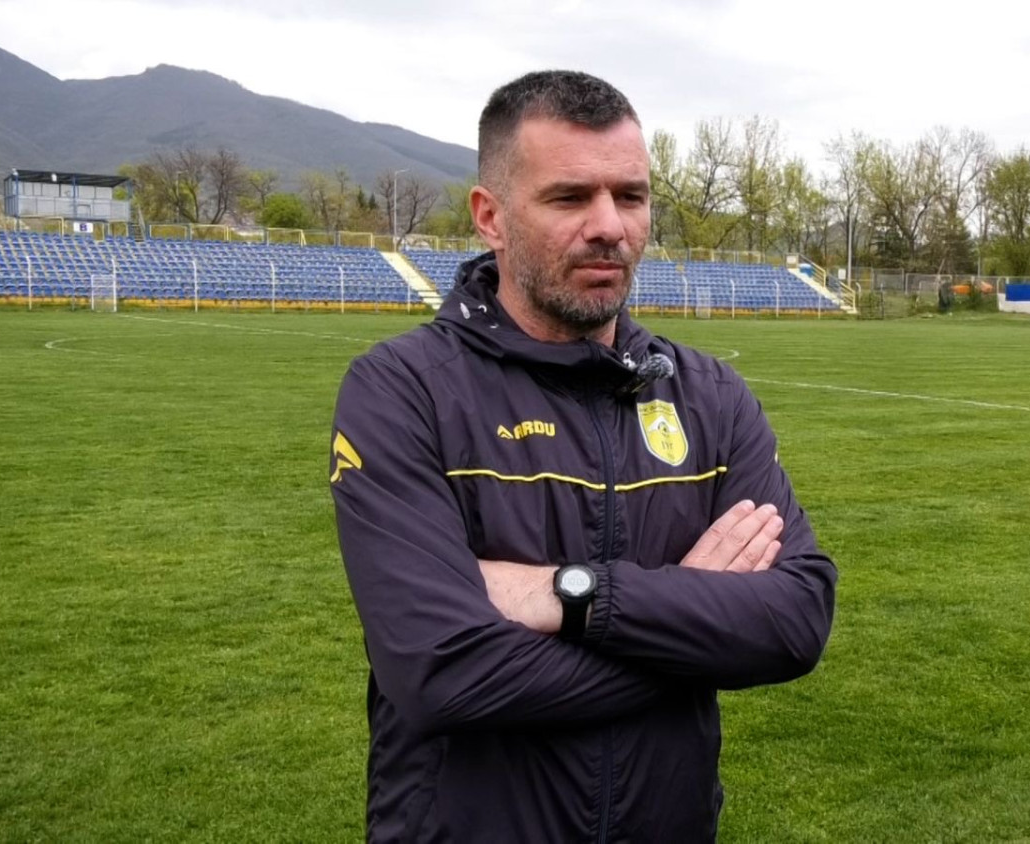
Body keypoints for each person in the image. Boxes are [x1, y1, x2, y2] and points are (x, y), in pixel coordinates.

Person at [329, 70, 836, 843]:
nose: (610, 226)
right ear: (491, 216)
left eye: (630, 196)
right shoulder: (404, 390)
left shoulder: (709, 395)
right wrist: (693, 626)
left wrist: (574, 596)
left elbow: (795, 620)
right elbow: (440, 672)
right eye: (570, 198)